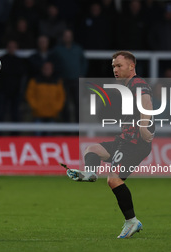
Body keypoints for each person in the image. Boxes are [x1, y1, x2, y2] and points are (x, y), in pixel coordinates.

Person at [63, 51, 154, 239]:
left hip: (135, 143)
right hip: (124, 140)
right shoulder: (127, 86)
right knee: (92, 149)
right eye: (113, 66)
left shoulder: (137, 83)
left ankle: (132, 221)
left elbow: (146, 101)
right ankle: (90, 173)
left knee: (113, 180)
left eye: (119, 65)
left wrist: (144, 126)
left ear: (131, 66)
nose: (115, 69)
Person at [25, 62, 65, 135]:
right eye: (45, 68)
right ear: (42, 69)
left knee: (49, 136)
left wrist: (56, 107)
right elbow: (30, 95)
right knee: (37, 135)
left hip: (52, 113)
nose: (47, 70)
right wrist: (36, 107)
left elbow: (61, 96)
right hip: (38, 113)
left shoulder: (57, 81)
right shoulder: (35, 81)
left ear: (52, 70)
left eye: (49, 69)